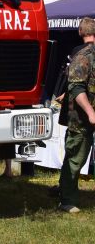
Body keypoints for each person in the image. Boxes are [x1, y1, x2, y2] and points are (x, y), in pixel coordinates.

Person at [58, 17, 95, 213]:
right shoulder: (82, 57)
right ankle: (67, 200)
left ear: (81, 33)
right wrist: (91, 113)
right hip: (81, 118)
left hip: (87, 114)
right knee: (75, 159)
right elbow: (77, 89)